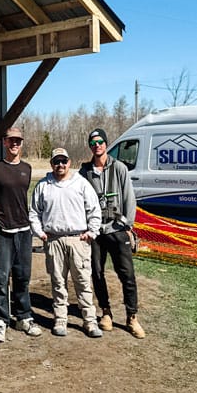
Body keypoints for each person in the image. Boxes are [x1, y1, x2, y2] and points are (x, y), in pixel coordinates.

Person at [30, 147, 103, 338]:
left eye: (63, 161)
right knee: (58, 282)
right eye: (56, 161)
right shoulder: (43, 185)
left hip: (78, 240)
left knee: (83, 282)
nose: (60, 165)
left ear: (69, 162)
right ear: (51, 164)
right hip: (53, 240)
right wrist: (39, 232)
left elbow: (94, 210)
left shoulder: (81, 184)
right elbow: (34, 213)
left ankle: (89, 321)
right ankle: (60, 319)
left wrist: (92, 232)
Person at [79, 128, 145, 338]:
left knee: (126, 274)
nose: (97, 145)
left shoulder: (120, 168)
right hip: (95, 231)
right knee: (96, 272)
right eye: (93, 143)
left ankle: (132, 316)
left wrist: (127, 227)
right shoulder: (85, 173)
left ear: (106, 144)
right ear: (90, 146)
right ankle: (105, 312)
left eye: (100, 142)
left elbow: (129, 199)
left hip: (117, 228)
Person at [0, 126, 42, 342]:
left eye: (18, 140)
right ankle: (0, 320)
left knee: (22, 277)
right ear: (4, 143)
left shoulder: (27, 169)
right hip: (1, 232)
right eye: (11, 140)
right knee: (0, 278)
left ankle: (23, 317)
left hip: (23, 232)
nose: (15, 144)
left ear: (22, 143)